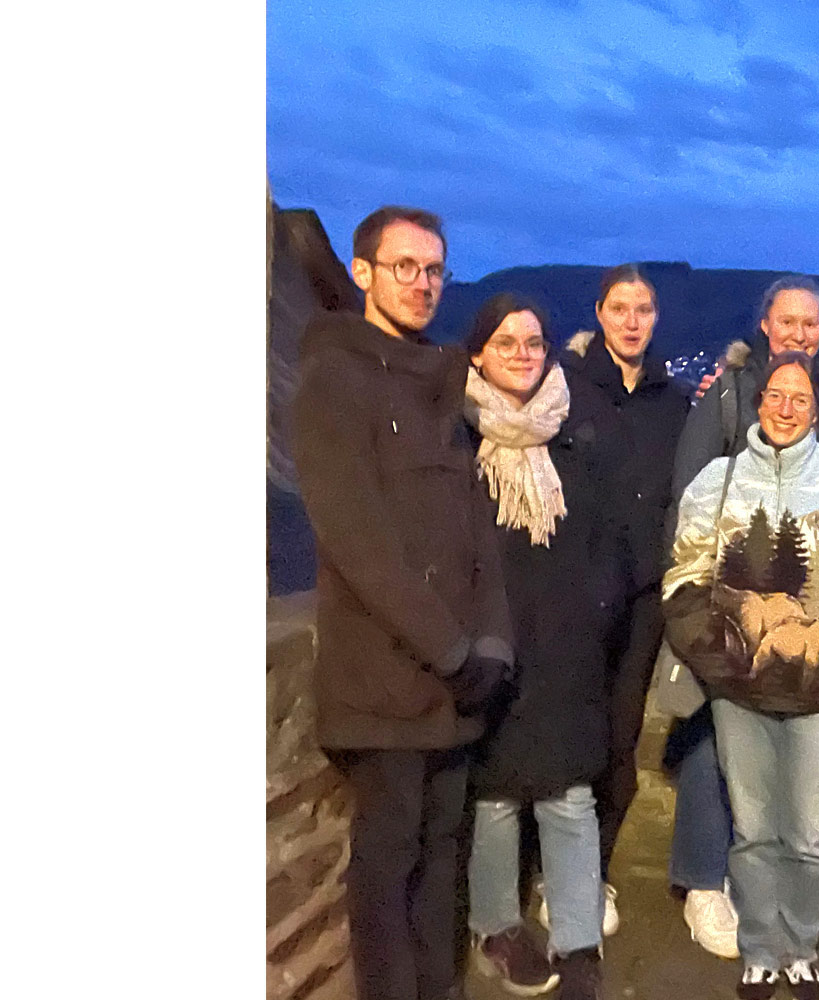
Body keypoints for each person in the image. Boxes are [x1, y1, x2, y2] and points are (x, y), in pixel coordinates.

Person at [292, 205, 514, 1000]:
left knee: (444, 853)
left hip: (455, 685)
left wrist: (492, 645)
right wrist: (451, 650)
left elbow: (476, 531)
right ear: (362, 273)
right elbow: (357, 542)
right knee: (389, 865)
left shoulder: (443, 387)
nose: (422, 284)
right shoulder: (335, 379)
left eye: (433, 270)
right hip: (383, 681)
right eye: (404, 267)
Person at [660, 354, 819, 1000]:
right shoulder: (717, 482)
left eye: (801, 397)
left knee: (810, 833)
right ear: (758, 401)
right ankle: (760, 950)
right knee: (755, 828)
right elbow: (684, 584)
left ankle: (800, 947)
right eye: (776, 394)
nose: (786, 407)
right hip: (740, 689)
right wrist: (727, 664)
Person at [648, 273, 819, 958]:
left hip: (800, 608)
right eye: (787, 321)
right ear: (766, 326)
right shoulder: (729, 394)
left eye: (810, 324)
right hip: (724, 599)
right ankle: (703, 881)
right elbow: (686, 492)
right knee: (711, 736)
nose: (798, 333)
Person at [461, 294, 627, 1000]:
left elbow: (610, 538)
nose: (524, 354)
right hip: (489, 647)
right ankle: (497, 927)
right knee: (494, 798)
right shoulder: (456, 436)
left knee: (569, 796)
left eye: (534, 341)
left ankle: (578, 941)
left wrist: (595, 614)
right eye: (507, 342)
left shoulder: (576, 430)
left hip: (567, 648)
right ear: (478, 354)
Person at [559, 264, 693, 939]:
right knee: (570, 733)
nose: (632, 320)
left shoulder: (674, 403)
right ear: (600, 313)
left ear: (655, 317)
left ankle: (598, 871)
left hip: (643, 594)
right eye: (620, 308)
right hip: (579, 591)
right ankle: (562, 875)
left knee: (619, 735)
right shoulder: (571, 391)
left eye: (643, 308)